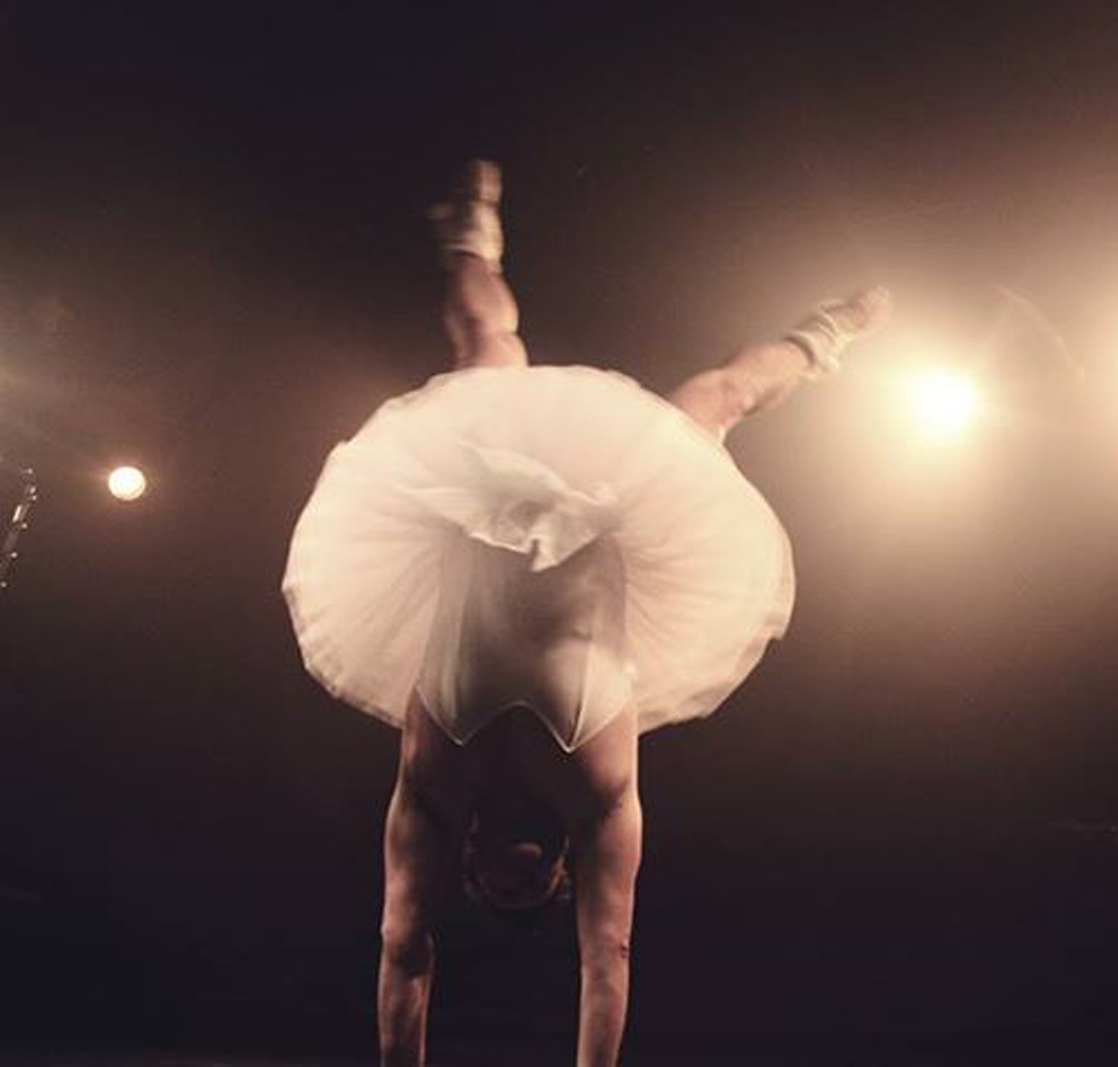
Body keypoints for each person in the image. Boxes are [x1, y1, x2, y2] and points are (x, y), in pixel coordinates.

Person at [281, 160, 891, 1067]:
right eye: (535, 892)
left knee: (488, 351)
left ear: (473, 867)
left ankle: (468, 234)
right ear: (561, 871)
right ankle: (828, 332)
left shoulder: (431, 785)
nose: (519, 879)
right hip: (610, 503)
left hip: (484, 491)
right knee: (718, 400)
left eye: (500, 889)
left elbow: (404, 946)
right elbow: (608, 955)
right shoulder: (603, 799)